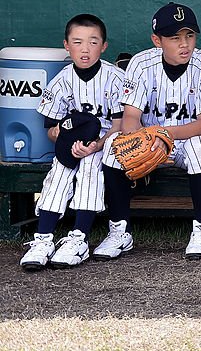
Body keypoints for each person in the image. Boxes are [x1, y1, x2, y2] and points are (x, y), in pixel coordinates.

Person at [96, 3, 201, 261]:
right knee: (113, 149)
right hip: (149, 139)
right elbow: (131, 117)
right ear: (157, 40)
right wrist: (139, 139)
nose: (184, 44)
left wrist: (163, 135)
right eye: (174, 38)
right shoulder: (140, 63)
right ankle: (119, 231)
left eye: (190, 36)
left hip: (188, 139)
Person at [19, 14, 125, 270]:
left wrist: (96, 144)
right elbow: (51, 131)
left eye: (93, 42)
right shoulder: (61, 80)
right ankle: (43, 239)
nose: (85, 49)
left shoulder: (115, 77)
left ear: (104, 45)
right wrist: (67, 140)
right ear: (67, 45)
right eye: (78, 42)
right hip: (72, 143)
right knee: (60, 171)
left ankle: (79, 238)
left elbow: (121, 125)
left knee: (89, 167)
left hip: (106, 142)